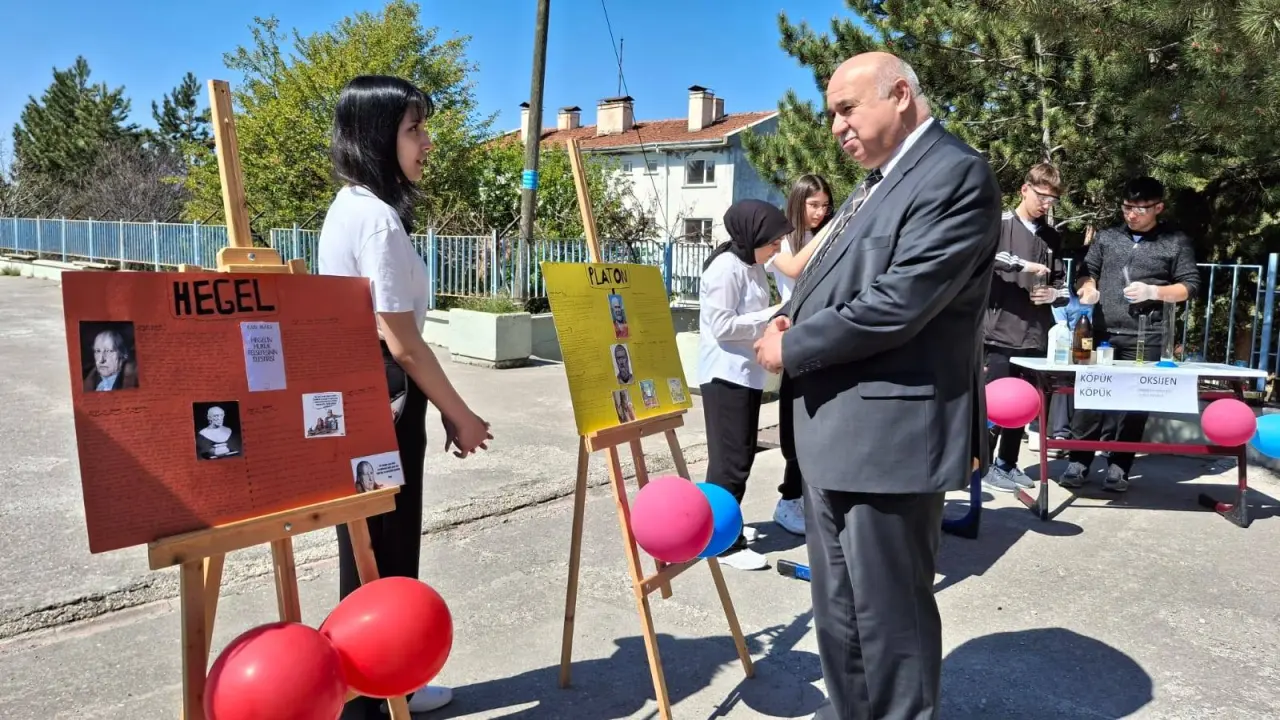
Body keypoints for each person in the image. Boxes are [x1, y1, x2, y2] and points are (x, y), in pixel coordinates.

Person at [754, 52, 1000, 719]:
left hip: (889, 440)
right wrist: (792, 313)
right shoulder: (878, 183)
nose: (835, 125)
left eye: (846, 108)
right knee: (841, 616)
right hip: (837, 435)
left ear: (900, 95)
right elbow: (837, 276)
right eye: (831, 112)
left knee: (888, 620)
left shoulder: (953, 175)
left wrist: (791, 344)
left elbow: (900, 301)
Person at [317, 75, 493, 718]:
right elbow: (403, 342)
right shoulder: (378, 219)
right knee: (384, 554)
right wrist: (461, 412)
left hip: (363, 395)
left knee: (370, 549)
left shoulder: (349, 206)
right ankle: (373, 698)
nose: (427, 142)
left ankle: (389, 688)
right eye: (413, 128)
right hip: (381, 398)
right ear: (375, 135)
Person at [1058, 176, 1200, 492]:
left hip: (1145, 336)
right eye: (1126, 207)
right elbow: (1085, 272)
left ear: (1158, 208)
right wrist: (1089, 289)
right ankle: (1078, 462)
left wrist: (1155, 291)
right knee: (1090, 399)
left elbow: (1189, 286)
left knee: (1133, 406)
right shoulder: (1107, 238)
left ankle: (1119, 468)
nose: (1131, 214)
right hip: (1100, 331)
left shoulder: (1174, 241)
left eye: (1140, 209)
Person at [697, 198, 789, 571]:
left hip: (745, 374)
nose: (778, 248)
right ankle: (723, 542)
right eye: (773, 241)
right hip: (725, 376)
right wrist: (773, 313)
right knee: (730, 463)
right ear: (752, 236)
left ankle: (721, 526)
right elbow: (722, 326)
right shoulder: (724, 269)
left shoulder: (751, 266)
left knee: (742, 456)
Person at [981, 162, 1068, 492]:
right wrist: (1022, 264)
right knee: (994, 402)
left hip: (1035, 335)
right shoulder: (1000, 224)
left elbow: (1061, 284)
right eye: (1042, 196)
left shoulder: (1051, 237)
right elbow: (986, 257)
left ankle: (1008, 462)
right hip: (999, 333)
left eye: (1052, 200)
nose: (1046, 205)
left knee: (1022, 405)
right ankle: (983, 464)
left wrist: (1053, 295)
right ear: (1024, 190)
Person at [761, 173, 835, 536]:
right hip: (792, 332)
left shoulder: (816, 236)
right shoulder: (783, 241)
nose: (821, 212)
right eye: (814, 205)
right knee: (796, 423)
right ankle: (787, 500)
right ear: (798, 202)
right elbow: (792, 269)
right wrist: (828, 236)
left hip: (821, 334)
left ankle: (807, 497)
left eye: (826, 206)